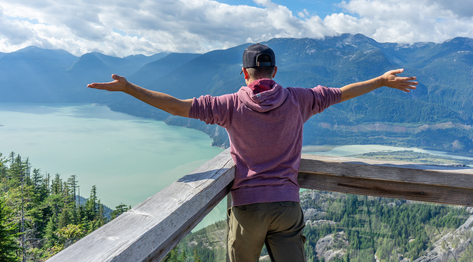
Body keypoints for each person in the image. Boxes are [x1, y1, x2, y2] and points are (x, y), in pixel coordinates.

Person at [87, 43, 418, 262]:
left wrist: (129, 88)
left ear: (245, 74)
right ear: (274, 72)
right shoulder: (300, 99)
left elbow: (176, 107)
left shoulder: (229, 105)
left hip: (247, 208)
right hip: (287, 206)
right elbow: (342, 93)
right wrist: (381, 80)